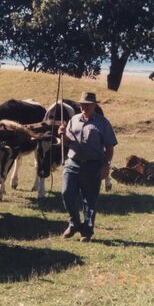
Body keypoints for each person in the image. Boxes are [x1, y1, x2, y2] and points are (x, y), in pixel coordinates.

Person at [57, 92, 117, 242]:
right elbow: (68, 142)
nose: (84, 107)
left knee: (89, 201)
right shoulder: (73, 120)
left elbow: (109, 147)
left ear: (95, 106)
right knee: (66, 193)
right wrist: (62, 135)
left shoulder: (103, 123)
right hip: (72, 163)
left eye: (88, 104)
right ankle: (74, 223)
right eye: (82, 104)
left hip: (93, 165)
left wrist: (106, 165)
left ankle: (87, 230)